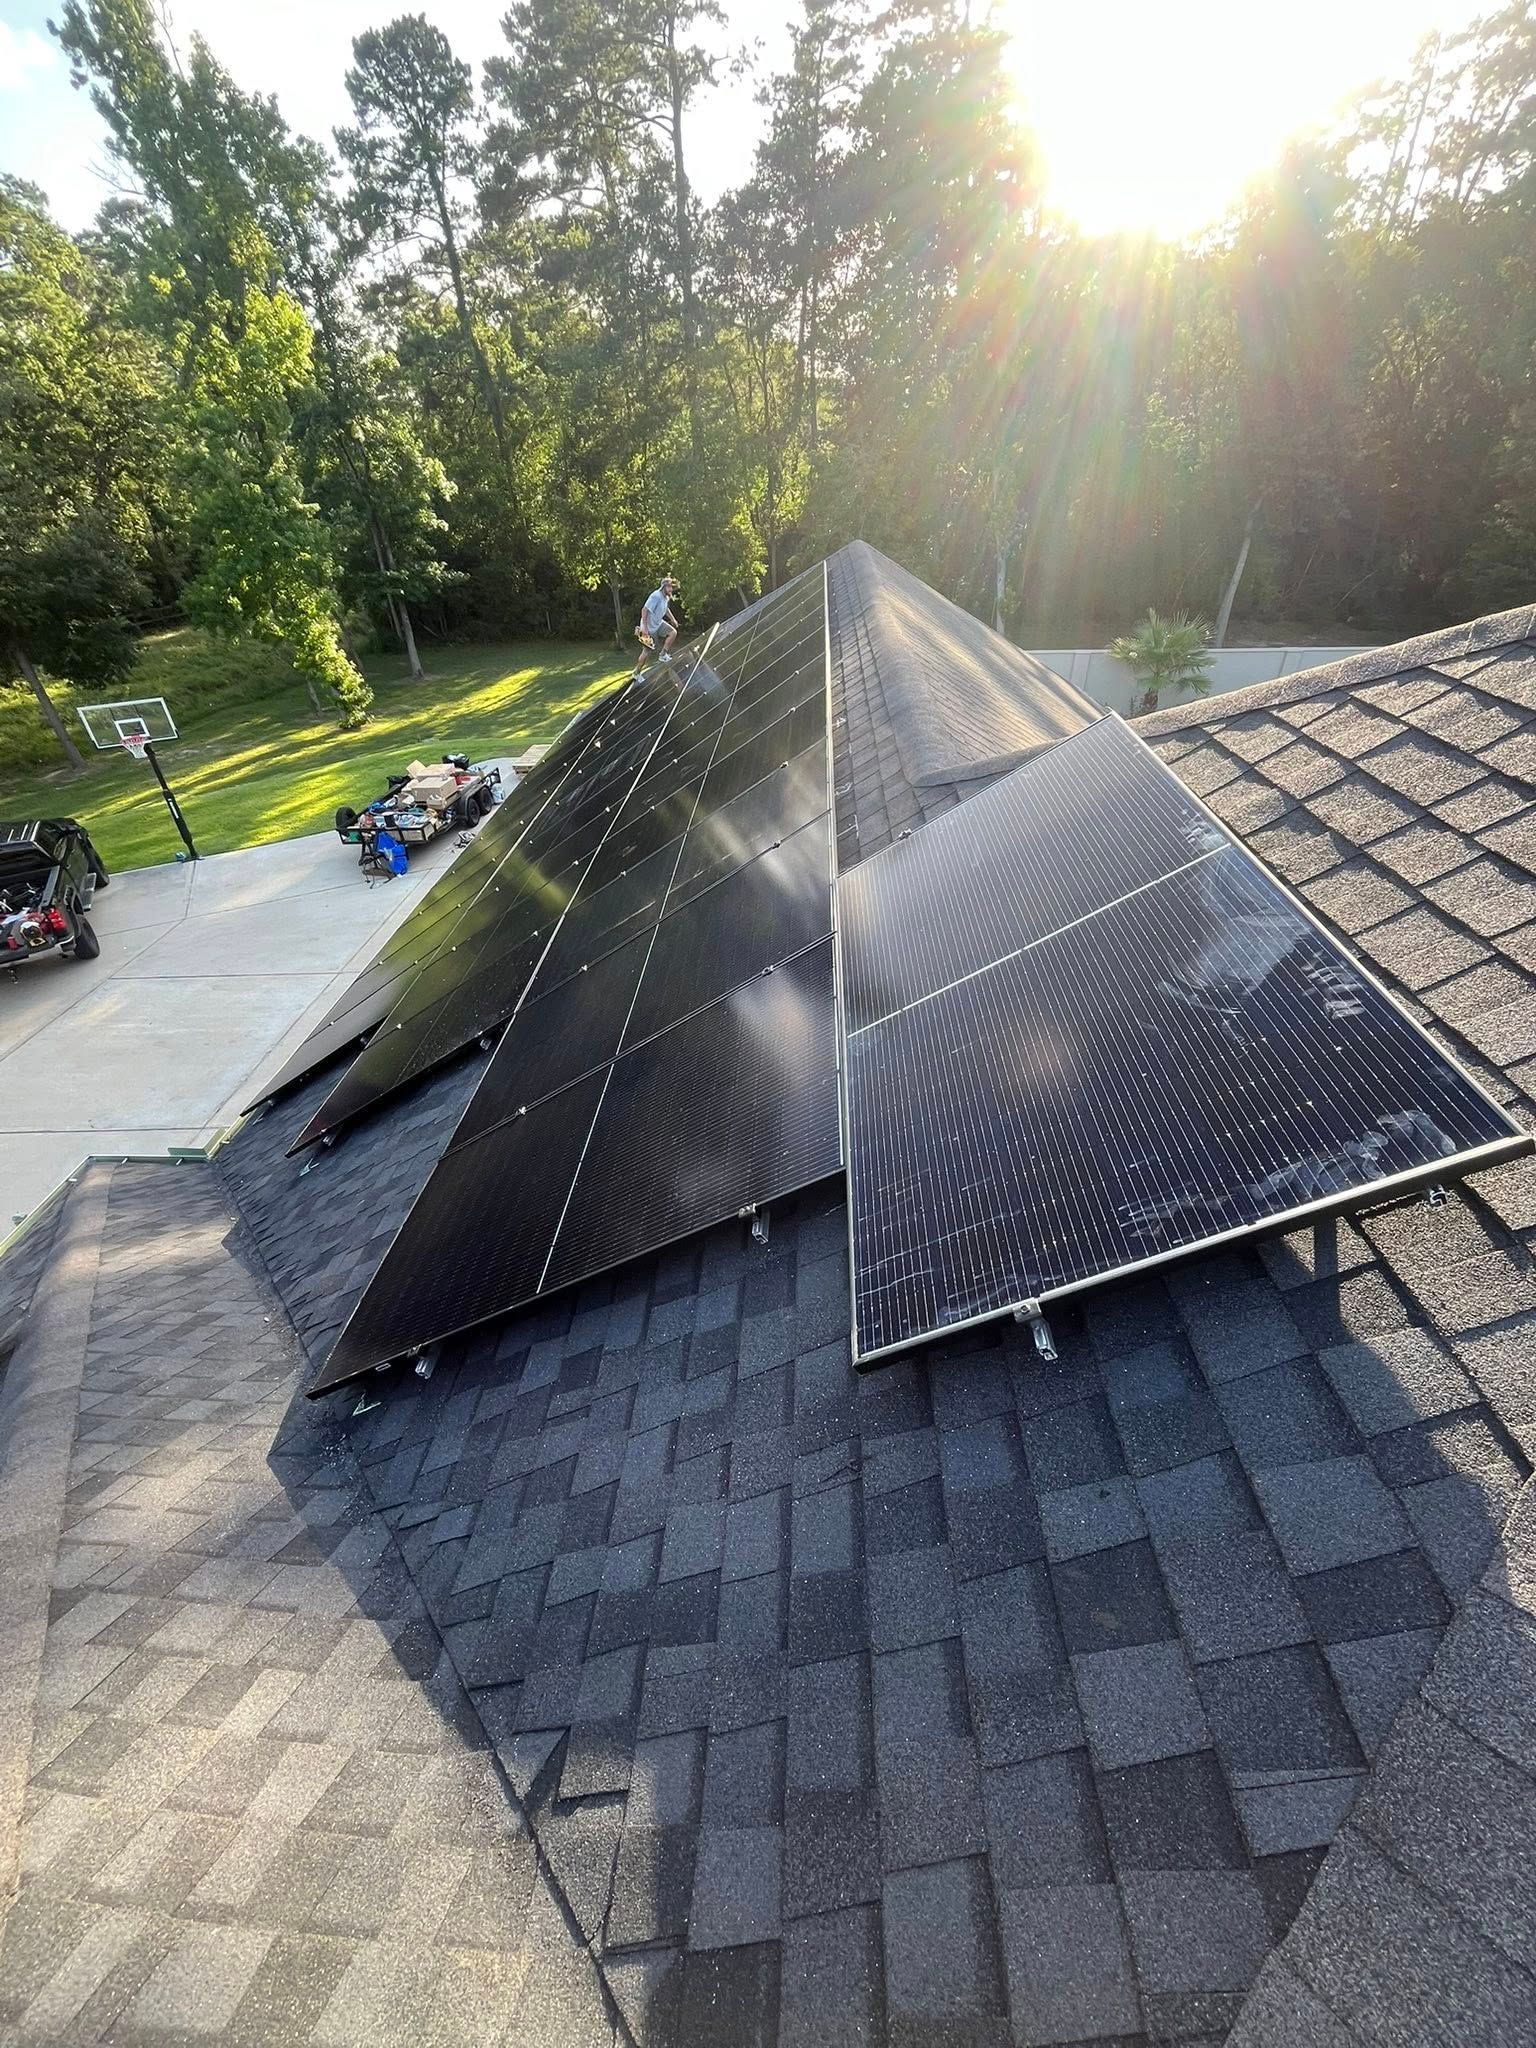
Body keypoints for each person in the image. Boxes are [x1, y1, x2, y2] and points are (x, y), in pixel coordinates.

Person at [635, 575, 680, 674]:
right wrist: (645, 628)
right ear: (664, 587)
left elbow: (666, 609)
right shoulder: (656, 596)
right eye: (669, 587)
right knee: (646, 652)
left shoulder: (666, 597)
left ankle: (663, 654)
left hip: (658, 624)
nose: (671, 589)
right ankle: (636, 673)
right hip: (646, 628)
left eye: (671, 587)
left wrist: (673, 619)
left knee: (673, 632)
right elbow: (644, 610)